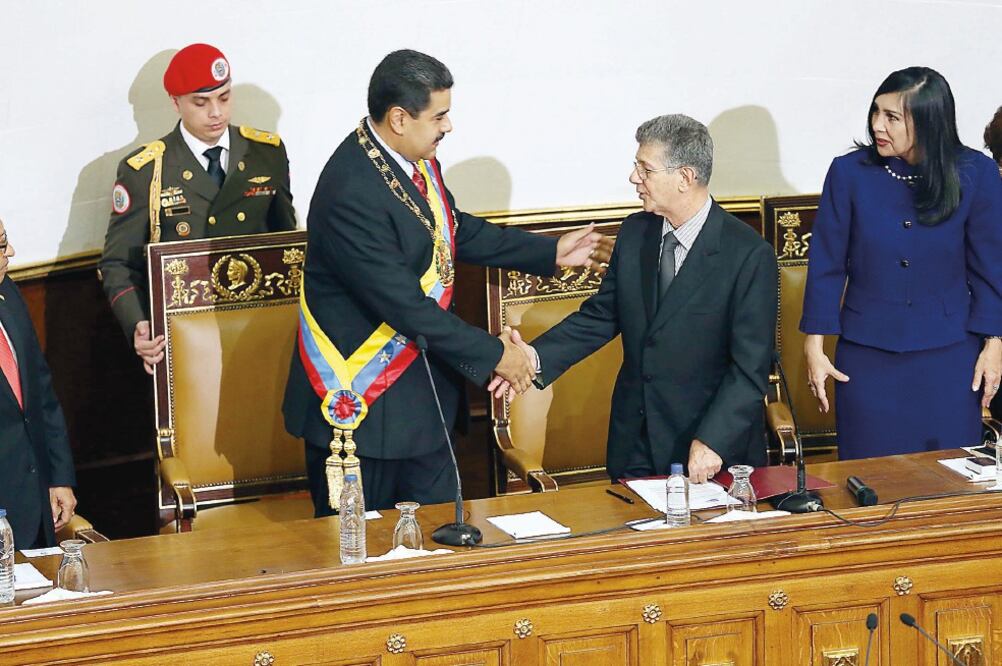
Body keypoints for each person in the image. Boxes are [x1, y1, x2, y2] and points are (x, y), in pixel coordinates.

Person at [283, 49, 612, 513]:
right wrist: (499, 356)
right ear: (400, 118)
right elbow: (406, 306)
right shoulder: (349, 192)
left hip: (423, 401)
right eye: (440, 116)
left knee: (440, 548)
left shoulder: (409, 158)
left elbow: (450, 228)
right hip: (364, 415)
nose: (447, 127)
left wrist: (547, 252)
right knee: (364, 565)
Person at [492, 114, 777, 483]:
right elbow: (602, 315)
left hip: (707, 448)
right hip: (635, 442)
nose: (633, 179)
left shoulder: (748, 254)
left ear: (685, 178)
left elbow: (749, 369)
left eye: (645, 169)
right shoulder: (636, 231)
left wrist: (713, 440)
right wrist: (532, 356)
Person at [802, 67, 1002, 459]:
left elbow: (990, 267)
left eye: (893, 117)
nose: (878, 125)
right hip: (866, 356)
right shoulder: (848, 173)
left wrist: (995, 342)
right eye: (876, 112)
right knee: (869, 482)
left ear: (929, 121)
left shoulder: (975, 173)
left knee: (949, 480)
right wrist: (815, 344)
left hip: (949, 354)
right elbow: (826, 263)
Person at [99, 43, 297, 374]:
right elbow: (118, 262)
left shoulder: (266, 152)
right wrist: (138, 323)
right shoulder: (147, 169)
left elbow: (285, 241)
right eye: (201, 103)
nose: (216, 113)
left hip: (260, 323)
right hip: (187, 333)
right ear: (175, 103)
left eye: (224, 97)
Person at [0, 218, 78, 548]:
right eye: (2, 245)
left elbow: (41, 392)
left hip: (35, 507)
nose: (12, 252)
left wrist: (59, 477)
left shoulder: (8, 292)